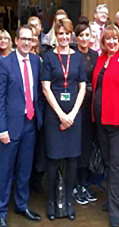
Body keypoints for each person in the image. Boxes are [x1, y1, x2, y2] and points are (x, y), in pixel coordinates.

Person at [0, 25, 43, 227]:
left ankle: (22, 205)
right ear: (16, 40)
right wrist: (1, 128)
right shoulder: (5, 63)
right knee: (5, 170)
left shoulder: (36, 61)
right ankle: (0, 211)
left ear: (33, 42)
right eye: (23, 39)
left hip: (30, 124)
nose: (26, 43)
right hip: (10, 126)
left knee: (24, 169)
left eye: (30, 40)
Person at [41, 19, 87, 220]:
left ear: (71, 36)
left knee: (71, 159)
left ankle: (68, 200)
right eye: (60, 34)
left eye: (67, 34)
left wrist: (73, 114)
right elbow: (45, 87)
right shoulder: (49, 57)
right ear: (55, 35)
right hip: (54, 114)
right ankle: (52, 200)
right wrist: (61, 115)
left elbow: (83, 86)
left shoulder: (78, 58)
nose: (64, 37)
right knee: (53, 159)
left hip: (74, 114)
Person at [91, 25, 119, 227]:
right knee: (109, 162)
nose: (111, 42)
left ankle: (115, 211)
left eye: (114, 39)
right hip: (102, 120)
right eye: (107, 39)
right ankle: (112, 198)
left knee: (118, 165)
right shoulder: (101, 59)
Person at [71, 23, 99, 205]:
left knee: (88, 145)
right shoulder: (72, 55)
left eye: (86, 35)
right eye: (80, 35)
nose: (83, 38)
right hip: (75, 105)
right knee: (76, 146)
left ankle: (84, 183)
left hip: (91, 106)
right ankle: (74, 185)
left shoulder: (95, 55)